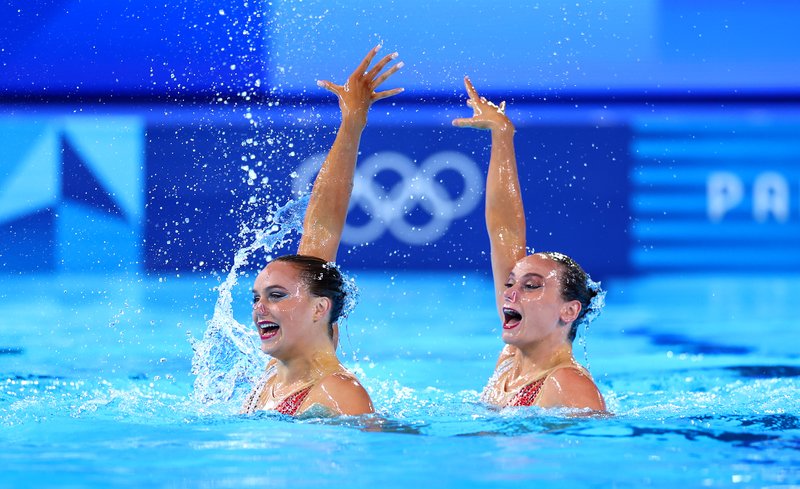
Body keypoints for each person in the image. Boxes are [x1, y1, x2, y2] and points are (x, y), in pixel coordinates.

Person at [241, 46, 404, 417]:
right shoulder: (275, 379)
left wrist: (353, 123)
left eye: (276, 295)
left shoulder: (338, 394)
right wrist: (350, 119)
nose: (259, 309)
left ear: (319, 308)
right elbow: (319, 229)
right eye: (256, 298)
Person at [452, 77, 606, 412]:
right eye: (511, 283)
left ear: (569, 310)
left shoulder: (568, 383)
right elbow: (504, 232)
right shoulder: (511, 362)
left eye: (532, 286)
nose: (509, 293)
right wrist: (502, 135)